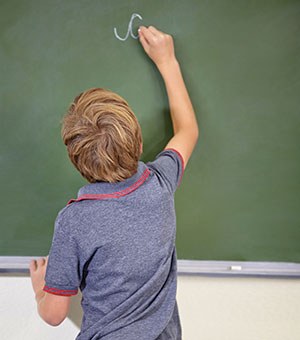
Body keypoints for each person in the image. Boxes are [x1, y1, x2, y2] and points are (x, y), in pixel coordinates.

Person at [29, 25, 198, 340]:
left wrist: (41, 288)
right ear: (137, 139)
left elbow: (54, 315)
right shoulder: (160, 183)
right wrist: (167, 62)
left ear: (75, 158)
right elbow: (187, 130)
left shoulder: (75, 221)